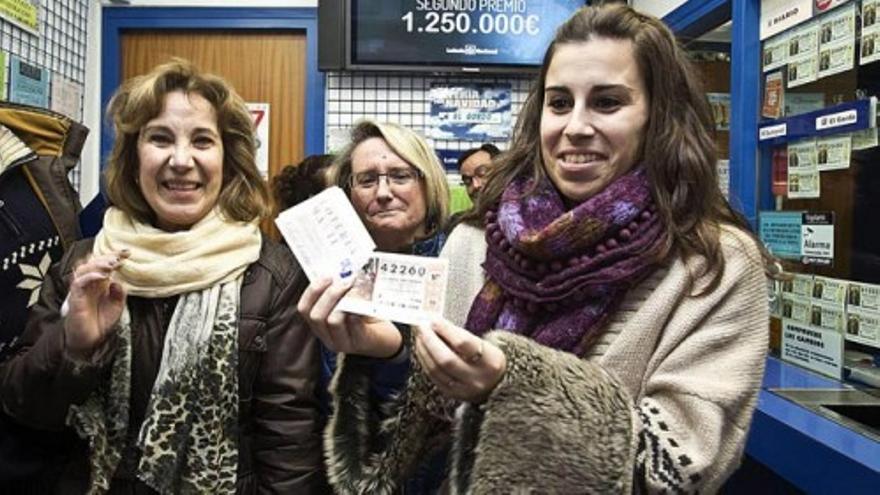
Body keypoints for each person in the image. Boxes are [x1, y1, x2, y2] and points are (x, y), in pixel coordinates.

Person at [303, 4, 776, 493]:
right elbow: (421, 433)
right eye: (559, 102)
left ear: (660, 116)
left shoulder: (711, 265)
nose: (575, 126)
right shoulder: (476, 241)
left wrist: (515, 387)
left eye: (608, 102)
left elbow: (674, 469)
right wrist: (389, 356)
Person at [0, 59, 326, 493]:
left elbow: (288, 436)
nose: (180, 160)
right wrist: (73, 345)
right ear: (134, 157)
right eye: (159, 138)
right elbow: (25, 408)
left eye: (203, 141)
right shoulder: (86, 264)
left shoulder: (273, 275)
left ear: (228, 160)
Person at [298, 119, 451, 492]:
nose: (383, 192)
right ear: (347, 194)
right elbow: (315, 401)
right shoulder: (325, 275)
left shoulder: (463, 259)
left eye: (400, 176)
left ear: (428, 183)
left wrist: (394, 354)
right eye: (367, 180)